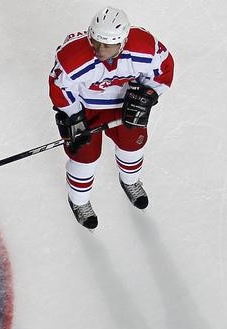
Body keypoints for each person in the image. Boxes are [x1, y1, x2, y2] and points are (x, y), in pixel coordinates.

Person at [49, 7, 174, 229]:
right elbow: (59, 87)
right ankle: (79, 201)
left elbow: (163, 69)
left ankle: (131, 181)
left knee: (132, 146)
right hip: (86, 110)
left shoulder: (145, 48)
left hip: (125, 105)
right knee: (84, 158)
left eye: (107, 44)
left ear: (123, 41)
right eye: (95, 41)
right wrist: (73, 116)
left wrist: (148, 94)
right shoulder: (73, 56)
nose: (99, 49)